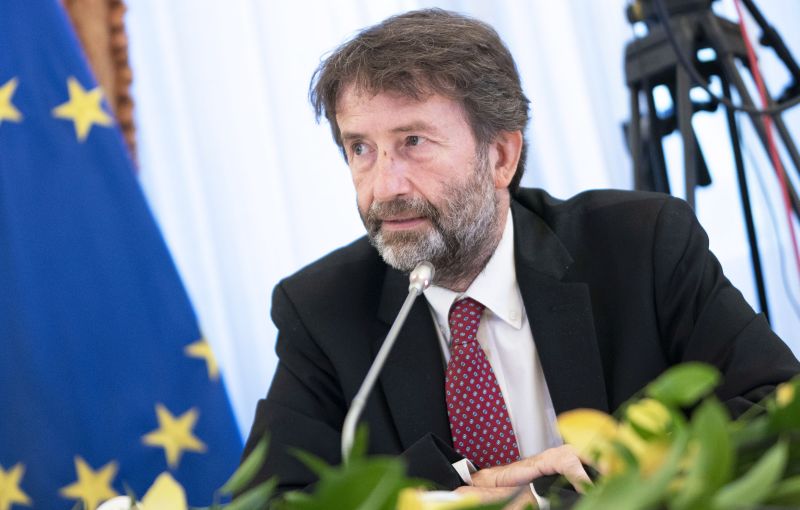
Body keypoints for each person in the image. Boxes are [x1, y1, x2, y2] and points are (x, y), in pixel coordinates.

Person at [242, 8, 799, 504]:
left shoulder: (641, 244)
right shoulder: (323, 309)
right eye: (360, 148)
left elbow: (779, 413)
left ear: (502, 156)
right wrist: (464, 491)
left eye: (413, 141)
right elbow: (271, 501)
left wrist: (550, 499)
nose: (383, 186)